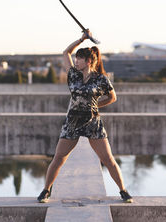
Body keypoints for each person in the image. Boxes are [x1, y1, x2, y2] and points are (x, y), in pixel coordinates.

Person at [37, 30, 133, 203]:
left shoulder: (101, 79)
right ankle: (46, 191)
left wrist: (96, 106)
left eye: (79, 58)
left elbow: (113, 97)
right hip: (72, 121)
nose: (76, 61)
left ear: (88, 61)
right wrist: (81, 39)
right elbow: (65, 52)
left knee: (108, 159)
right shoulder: (73, 74)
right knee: (59, 158)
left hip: (92, 122)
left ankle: (123, 191)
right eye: (76, 58)